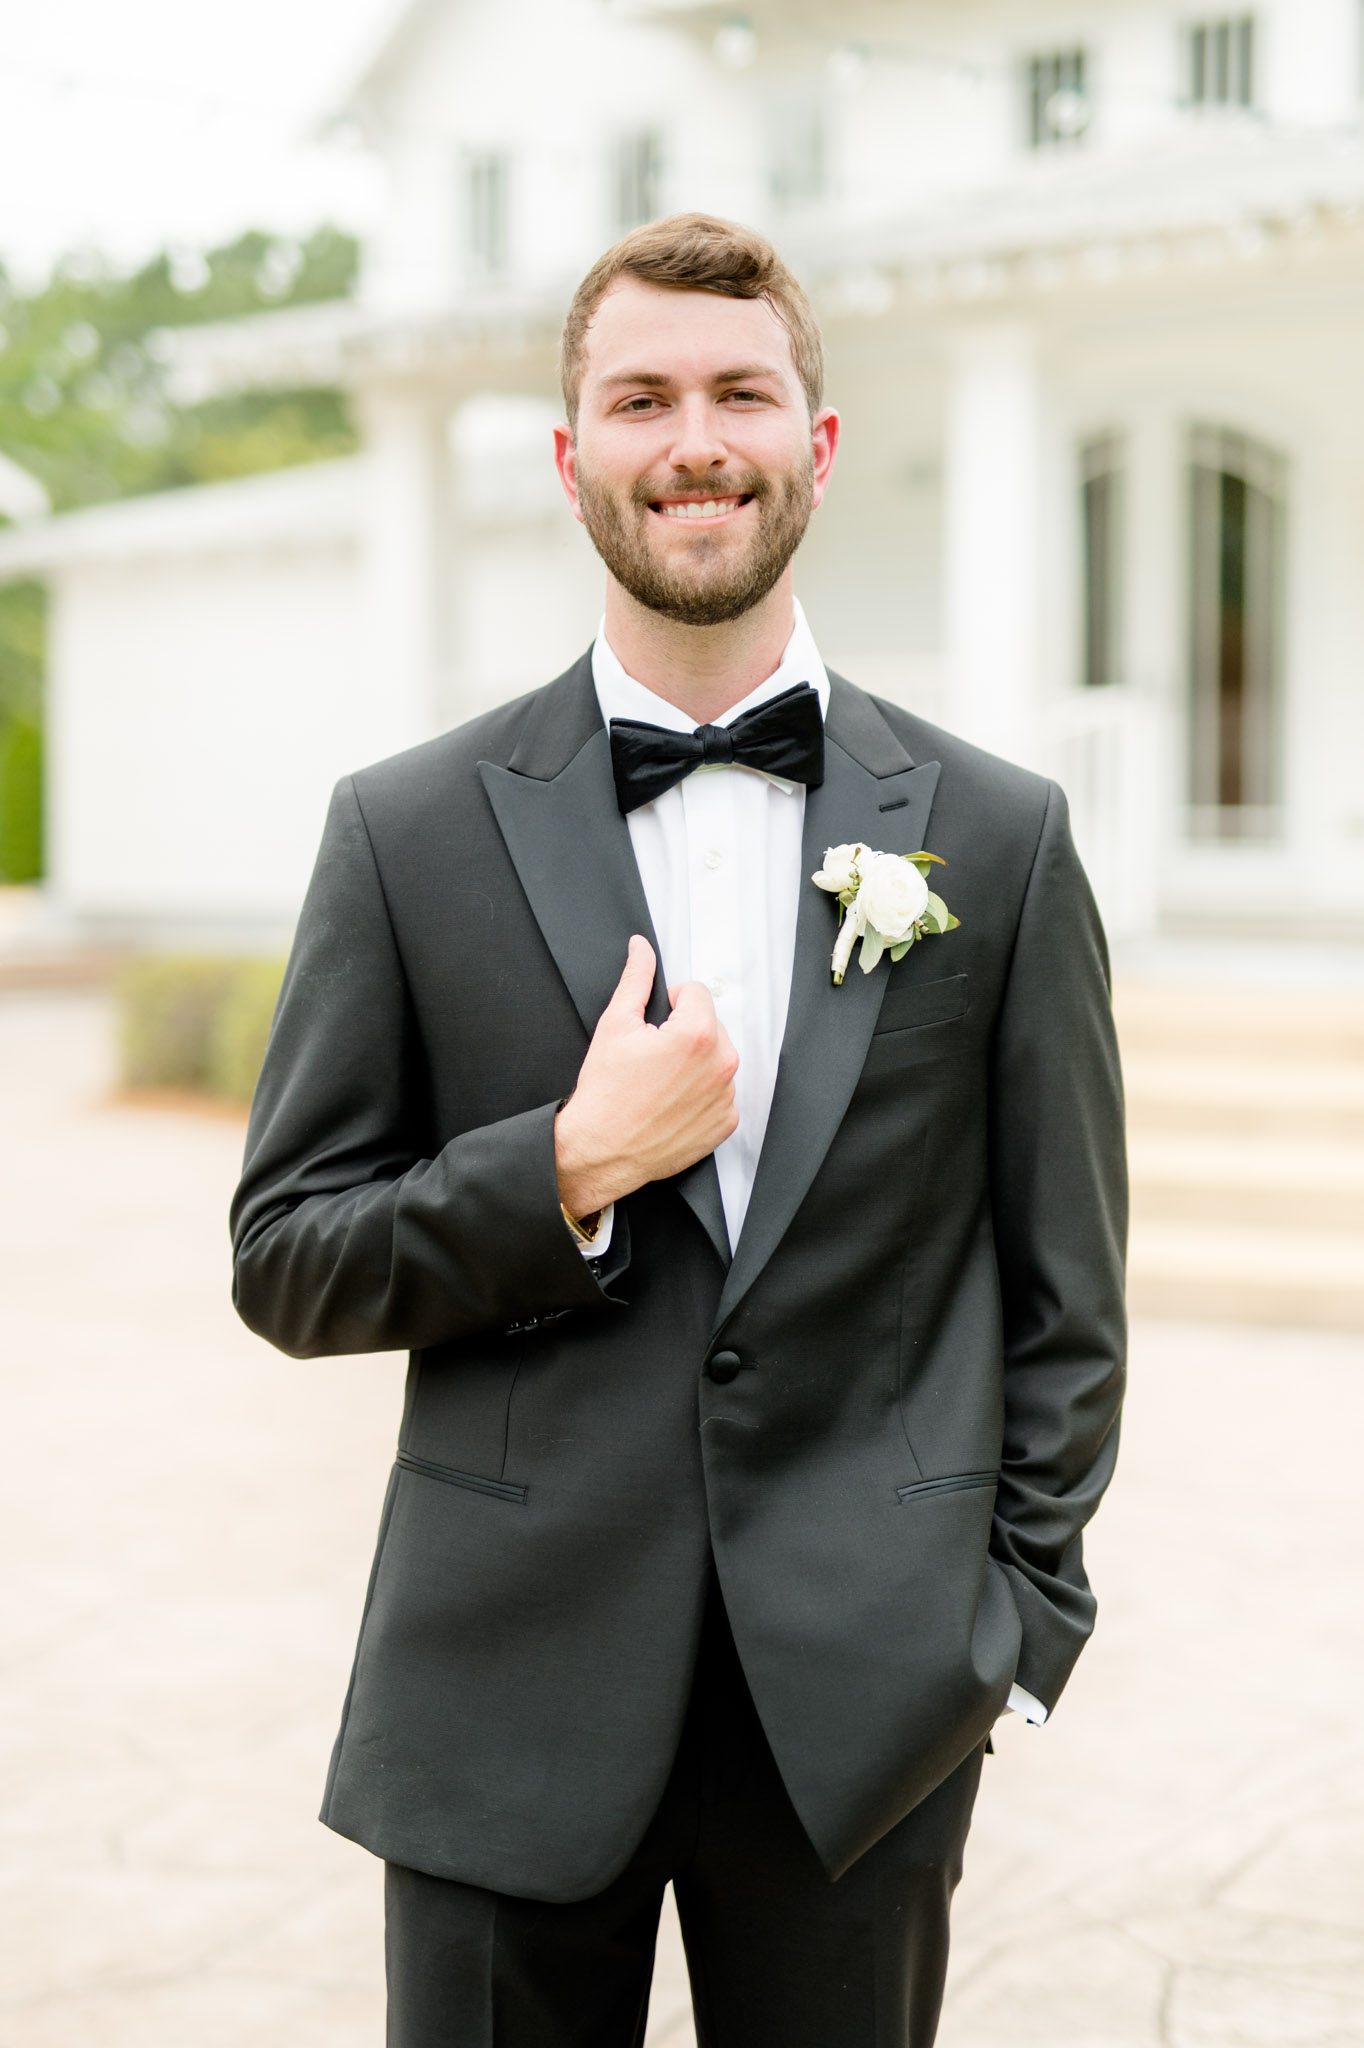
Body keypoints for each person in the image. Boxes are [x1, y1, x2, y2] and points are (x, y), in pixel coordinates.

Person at [231, 212, 1126, 2047]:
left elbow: (1068, 1286)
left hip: (863, 1723)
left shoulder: (1004, 835)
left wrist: (1013, 1637)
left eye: (741, 391)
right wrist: (563, 1171)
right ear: (573, 458)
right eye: (640, 398)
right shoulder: (404, 832)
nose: (693, 437)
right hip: (499, 1699)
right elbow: (288, 1257)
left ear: (818, 440)